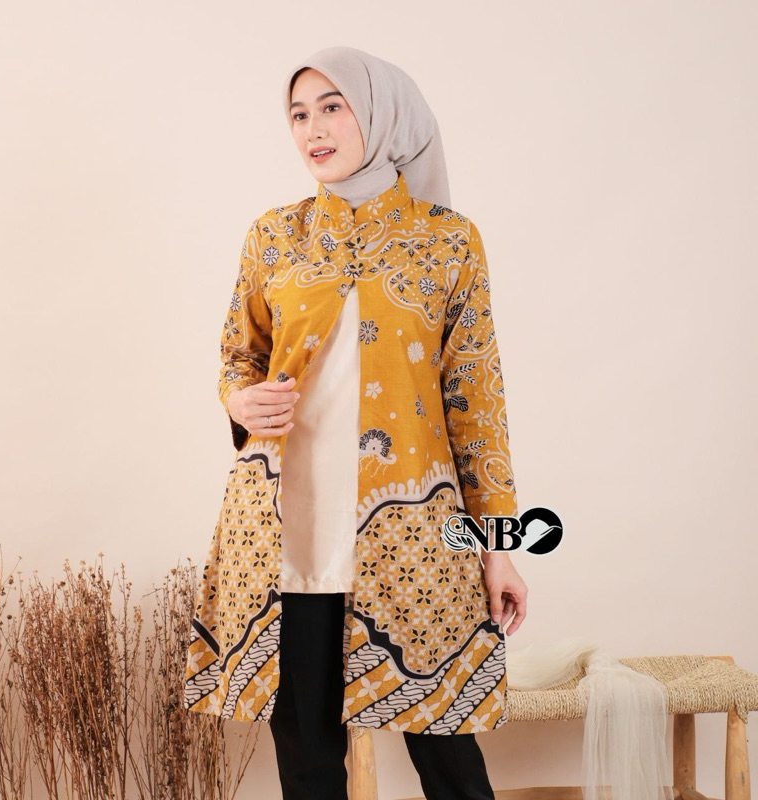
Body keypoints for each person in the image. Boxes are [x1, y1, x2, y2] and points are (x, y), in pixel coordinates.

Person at [184, 45, 528, 800]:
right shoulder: (274, 235)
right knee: (306, 754)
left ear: (381, 113)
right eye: (298, 114)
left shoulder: (449, 240)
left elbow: (478, 405)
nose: (313, 128)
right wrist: (237, 401)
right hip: (289, 533)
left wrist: (498, 548)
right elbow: (238, 357)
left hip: (413, 534)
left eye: (332, 107)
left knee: (447, 750)